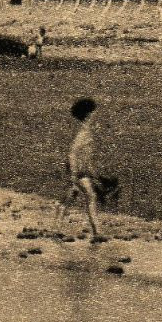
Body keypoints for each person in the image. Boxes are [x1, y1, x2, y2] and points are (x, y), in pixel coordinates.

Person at [59, 96, 105, 240]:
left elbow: (86, 155)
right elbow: (72, 153)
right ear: (88, 115)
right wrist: (74, 173)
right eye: (93, 113)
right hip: (78, 171)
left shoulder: (86, 131)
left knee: (70, 197)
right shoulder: (83, 133)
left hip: (81, 170)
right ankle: (97, 232)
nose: (96, 116)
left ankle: (56, 227)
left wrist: (92, 172)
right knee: (91, 196)